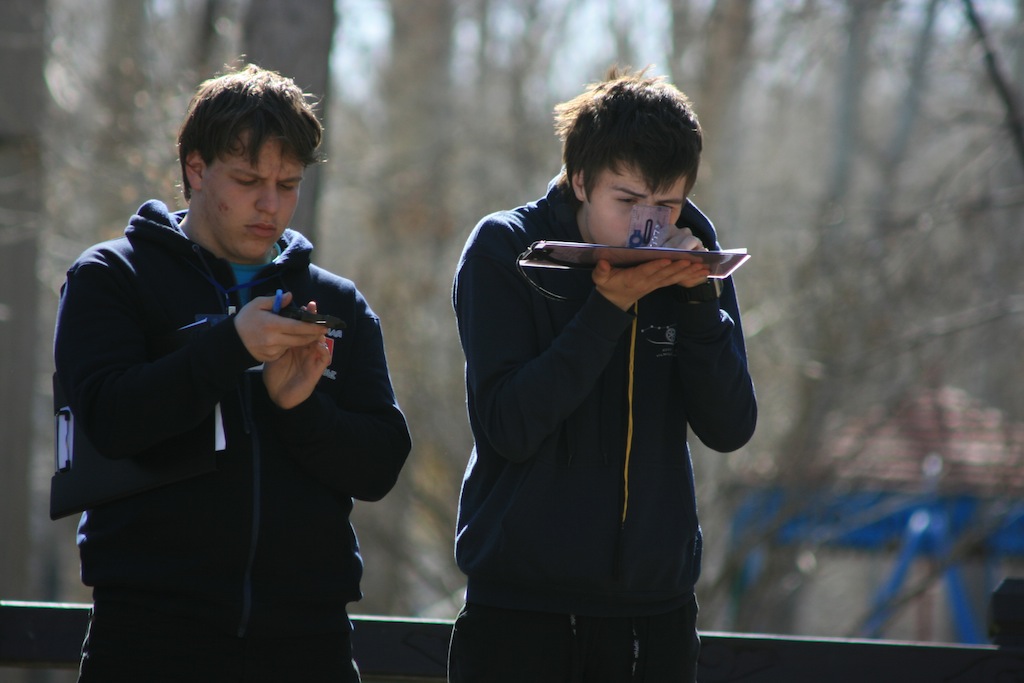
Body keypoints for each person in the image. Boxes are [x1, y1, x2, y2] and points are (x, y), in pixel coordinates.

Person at [53, 64, 412, 682]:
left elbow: (380, 465)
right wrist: (229, 347)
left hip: (309, 643)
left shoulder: (336, 302)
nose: (270, 204)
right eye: (248, 181)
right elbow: (109, 422)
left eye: (288, 184)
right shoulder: (112, 277)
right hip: (147, 640)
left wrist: (302, 410)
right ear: (196, 169)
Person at [447, 67, 757, 682]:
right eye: (628, 201)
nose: (649, 225)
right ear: (581, 181)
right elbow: (509, 426)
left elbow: (730, 428)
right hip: (521, 608)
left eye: (666, 204)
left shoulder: (694, 248)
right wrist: (608, 308)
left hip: (655, 611)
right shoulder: (506, 247)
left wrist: (699, 305)